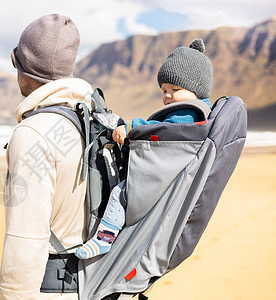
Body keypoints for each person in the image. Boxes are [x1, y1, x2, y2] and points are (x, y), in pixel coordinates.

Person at [75, 38, 214, 260]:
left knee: (120, 193)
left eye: (175, 89)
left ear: (196, 89)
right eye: (164, 90)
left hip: (158, 174)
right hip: (171, 173)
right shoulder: (200, 112)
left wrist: (131, 127)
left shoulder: (187, 114)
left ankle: (104, 238)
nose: (167, 96)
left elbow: (164, 129)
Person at [0, 14, 94, 299]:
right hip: (94, 283)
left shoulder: (33, 134)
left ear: (24, 69)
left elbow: (25, 240)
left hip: (52, 290)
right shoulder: (92, 120)